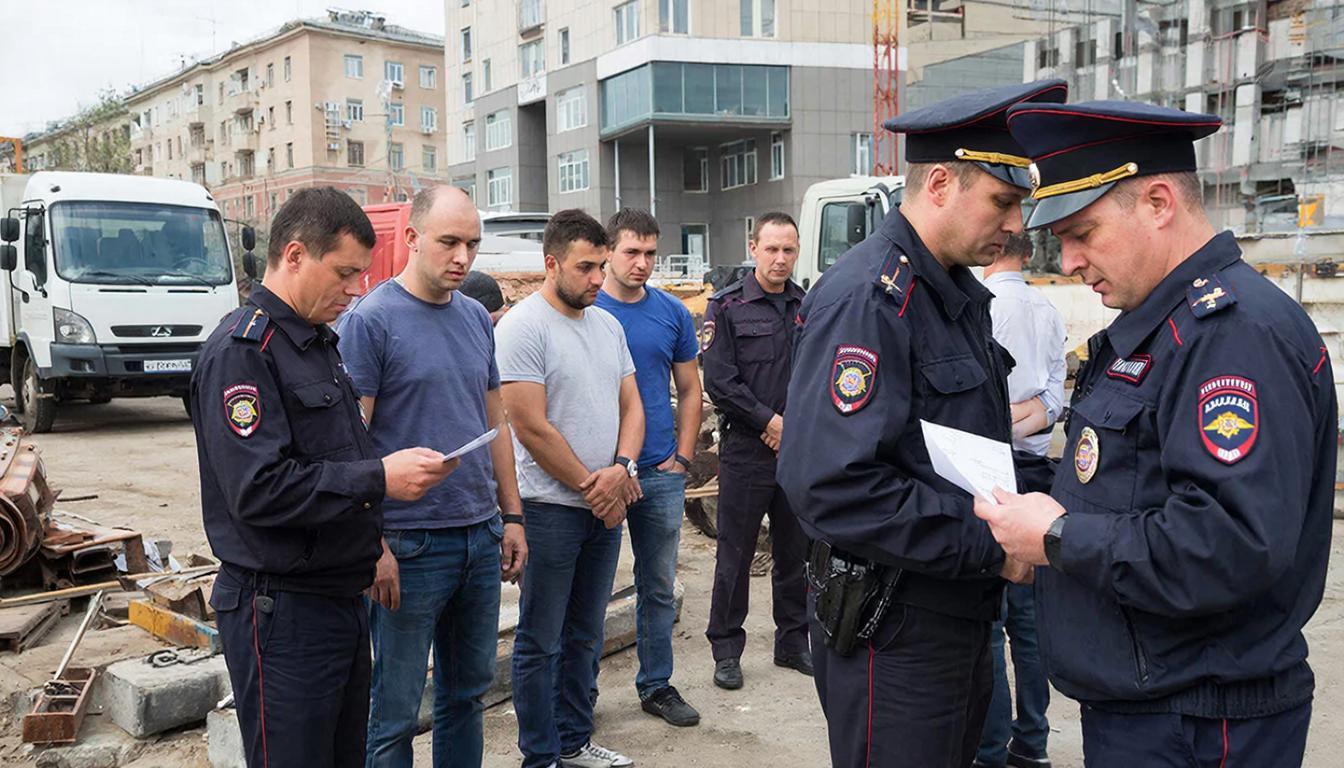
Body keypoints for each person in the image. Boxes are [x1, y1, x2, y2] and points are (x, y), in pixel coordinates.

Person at [976, 100, 1337, 767]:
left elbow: (1230, 543)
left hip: (1201, 720)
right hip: (1152, 703)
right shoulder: (1159, 327)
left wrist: (1058, 537)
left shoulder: (1231, 336)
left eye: (1083, 232)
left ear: (1159, 202)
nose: (1071, 260)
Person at [774, 79, 1068, 768]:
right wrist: (992, 544)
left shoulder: (953, 296)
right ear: (940, 182)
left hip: (953, 611)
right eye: (1001, 201)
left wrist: (1053, 501)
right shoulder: (870, 302)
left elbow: (965, 453)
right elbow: (831, 484)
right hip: (895, 626)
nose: (1015, 226)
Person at [191, 187, 457, 768]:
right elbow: (258, 490)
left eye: (361, 273)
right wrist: (379, 479)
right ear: (293, 255)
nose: (355, 288)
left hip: (337, 597)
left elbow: (339, 454)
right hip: (280, 610)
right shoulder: (244, 352)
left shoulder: (316, 343)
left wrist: (375, 536)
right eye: (343, 272)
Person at [335, 186, 528, 768]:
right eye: (449, 242)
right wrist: (373, 546)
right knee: (393, 715)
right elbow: (352, 446)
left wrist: (512, 516)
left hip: (479, 534)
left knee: (466, 698)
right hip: (409, 546)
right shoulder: (370, 322)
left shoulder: (474, 317)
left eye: (472, 244)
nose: (463, 257)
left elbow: (495, 422)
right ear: (413, 240)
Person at [497, 209, 643, 768]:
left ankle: (574, 740)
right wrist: (592, 484)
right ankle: (540, 755)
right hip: (550, 508)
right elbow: (529, 425)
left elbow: (632, 404)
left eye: (602, 266)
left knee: (586, 631)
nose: (598, 279)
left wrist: (623, 468)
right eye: (586, 267)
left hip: (606, 503)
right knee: (541, 638)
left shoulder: (607, 325)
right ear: (551, 262)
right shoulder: (523, 328)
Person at [594, 208, 703, 727]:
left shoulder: (672, 313)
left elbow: (689, 388)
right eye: (631, 252)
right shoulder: (587, 306)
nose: (642, 263)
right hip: (600, 474)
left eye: (650, 254)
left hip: (659, 470)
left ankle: (656, 685)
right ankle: (579, 693)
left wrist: (682, 457)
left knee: (657, 583)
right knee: (589, 588)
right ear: (608, 251)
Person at [701, 212, 811, 690]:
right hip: (747, 450)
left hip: (798, 450)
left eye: (788, 250)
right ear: (754, 247)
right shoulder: (726, 307)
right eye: (771, 249)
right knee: (736, 553)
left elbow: (818, 374)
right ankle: (726, 648)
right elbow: (720, 380)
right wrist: (769, 422)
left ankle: (793, 642)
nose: (780, 259)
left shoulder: (807, 306)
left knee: (796, 551)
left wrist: (791, 428)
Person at [972, 232, 1066, 768]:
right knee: (1030, 625)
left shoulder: (986, 307)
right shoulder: (1046, 309)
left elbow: (978, 395)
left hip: (993, 470)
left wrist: (1002, 424)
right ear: (1028, 255)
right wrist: (1030, 415)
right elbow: (1054, 394)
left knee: (990, 620)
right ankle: (1033, 743)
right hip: (1036, 466)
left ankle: (990, 748)